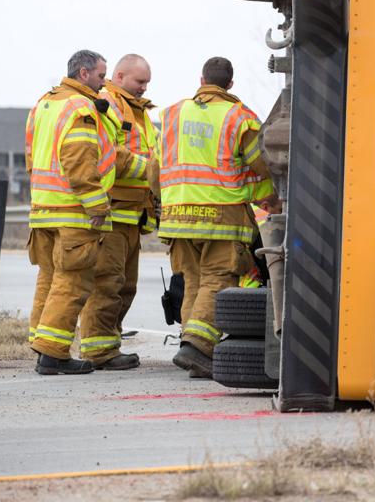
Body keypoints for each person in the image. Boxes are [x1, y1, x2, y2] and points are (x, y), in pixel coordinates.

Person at [26, 50, 146, 375]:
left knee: (50, 278)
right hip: (73, 211)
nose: (104, 81)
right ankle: (53, 354)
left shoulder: (45, 103)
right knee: (73, 282)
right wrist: (96, 204)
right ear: (83, 73)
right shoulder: (81, 107)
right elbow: (79, 159)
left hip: (44, 208)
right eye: (100, 75)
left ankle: (42, 345)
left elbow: (31, 154)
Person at [160, 57, 280, 377]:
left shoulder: (172, 114)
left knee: (192, 282)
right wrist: (271, 196)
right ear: (230, 84)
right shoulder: (239, 117)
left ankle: (193, 349)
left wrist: (163, 201)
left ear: (201, 80)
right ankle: (197, 347)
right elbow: (261, 163)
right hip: (221, 215)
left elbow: (151, 169)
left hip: (176, 216)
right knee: (217, 280)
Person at [78, 54, 160, 369]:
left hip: (132, 214)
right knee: (107, 283)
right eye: (140, 81)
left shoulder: (139, 111)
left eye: (147, 82)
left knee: (125, 286)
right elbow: (113, 153)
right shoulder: (108, 102)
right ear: (121, 75)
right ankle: (98, 350)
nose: (144, 87)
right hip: (113, 212)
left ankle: (109, 343)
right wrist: (152, 171)